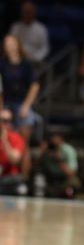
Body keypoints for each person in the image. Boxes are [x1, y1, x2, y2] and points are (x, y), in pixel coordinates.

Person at [0, 33, 40, 178]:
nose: (8, 46)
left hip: (21, 104)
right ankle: (7, 175)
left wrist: (26, 106)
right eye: (6, 43)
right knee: (4, 139)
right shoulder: (2, 63)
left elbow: (34, 86)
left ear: (17, 44)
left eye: (11, 43)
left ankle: (24, 179)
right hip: (6, 105)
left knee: (24, 143)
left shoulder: (26, 64)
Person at [34, 134, 81, 198]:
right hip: (48, 179)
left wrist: (59, 160)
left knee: (73, 183)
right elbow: (34, 166)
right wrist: (42, 153)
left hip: (64, 179)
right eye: (52, 144)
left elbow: (71, 173)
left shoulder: (68, 150)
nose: (54, 147)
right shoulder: (46, 150)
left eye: (56, 145)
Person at [9, 0, 50, 64]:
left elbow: (45, 48)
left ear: (33, 12)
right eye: (24, 12)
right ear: (21, 12)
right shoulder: (15, 27)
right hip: (18, 60)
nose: (26, 14)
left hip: (35, 60)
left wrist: (36, 58)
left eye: (28, 12)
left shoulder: (41, 28)